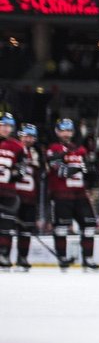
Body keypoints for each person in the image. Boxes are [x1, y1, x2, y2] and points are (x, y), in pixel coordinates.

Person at [46, 118, 99, 270]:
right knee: (61, 227)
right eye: (63, 130)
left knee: (89, 225)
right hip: (61, 195)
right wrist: (80, 167)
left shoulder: (80, 150)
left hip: (80, 195)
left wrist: (91, 165)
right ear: (57, 132)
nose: (66, 133)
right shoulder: (53, 148)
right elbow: (62, 171)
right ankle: (62, 258)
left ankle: (88, 259)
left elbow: (89, 175)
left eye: (68, 130)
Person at [10, 124, 42, 271]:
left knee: (25, 230)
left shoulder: (37, 153)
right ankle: (4, 256)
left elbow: (41, 174)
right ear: (20, 135)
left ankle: (22, 258)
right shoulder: (13, 148)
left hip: (29, 197)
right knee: (7, 229)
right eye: (25, 136)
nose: (28, 139)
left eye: (31, 136)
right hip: (12, 196)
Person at [0, 113, 26, 269]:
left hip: (8, 192)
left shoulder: (17, 146)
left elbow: (22, 169)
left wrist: (15, 174)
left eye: (8, 126)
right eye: (3, 125)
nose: (6, 128)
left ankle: (4, 255)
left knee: (6, 226)